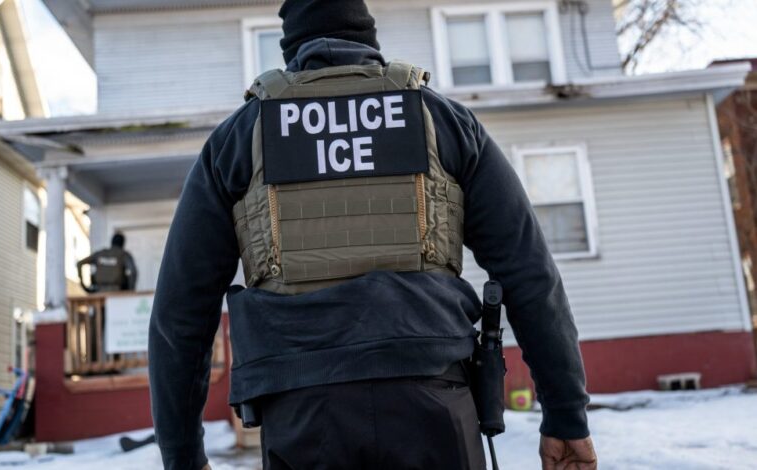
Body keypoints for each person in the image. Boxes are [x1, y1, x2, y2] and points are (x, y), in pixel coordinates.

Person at [148, 1, 597, 469]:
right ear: (368, 37)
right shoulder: (444, 120)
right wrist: (566, 414)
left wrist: (182, 456)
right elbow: (528, 272)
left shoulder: (238, 138)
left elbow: (181, 312)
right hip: (434, 398)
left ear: (290, 47)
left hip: (302, 413)